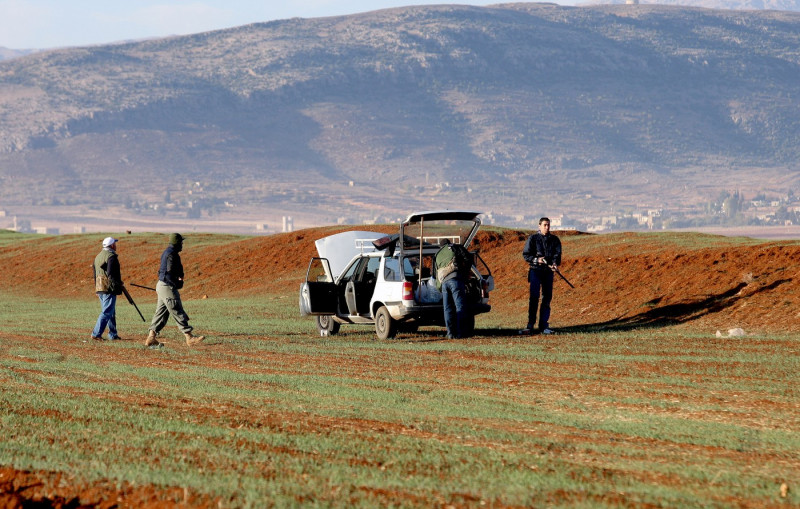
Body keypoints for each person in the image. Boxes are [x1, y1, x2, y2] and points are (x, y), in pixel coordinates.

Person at [144, 233, 205, 348]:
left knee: (161, 313)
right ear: (177, 243)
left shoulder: (168, 252)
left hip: (161, 285)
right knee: (176, 309)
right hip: (167, 286)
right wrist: (177, 283)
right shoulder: (171, 254)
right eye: (181, 242)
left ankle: (151, 337)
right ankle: (189, 337)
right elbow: (169, 274)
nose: (182, 244)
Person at [522, 217, 562, 335]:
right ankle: (530, 325)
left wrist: (554, 263)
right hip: (535, 271)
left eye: (548, 225)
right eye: (544, 225)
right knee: (534, 298)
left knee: (547, 298)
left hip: (548, 272)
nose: (547, 227)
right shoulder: (533, 239)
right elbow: (526, 254)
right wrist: (537, 260)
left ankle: (544, 325)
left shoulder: (554, 240)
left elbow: (557, 254)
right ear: (539, 226)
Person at [435, 239, 472, 339]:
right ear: (448, 243)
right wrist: (465, 271)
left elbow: (434, 274)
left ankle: (450, 334)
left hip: (444, 284)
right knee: (460, 306)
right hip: (455, 280)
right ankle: (461, 333)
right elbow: (468, 258)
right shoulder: (454, 247)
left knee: (447, 309)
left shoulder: (437, 254)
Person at [91, 237, 123, 341]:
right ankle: (96, 334)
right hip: (108, 288)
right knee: (107, 312)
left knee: (110, 311)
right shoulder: (111, 257)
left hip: (100, 287)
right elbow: (111, 275)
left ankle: (113, 334)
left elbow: (95, 273)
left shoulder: (97, 256)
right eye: (115, 244)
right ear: (112, 245)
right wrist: (117, 285)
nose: (116, 245)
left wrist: (96, 288)